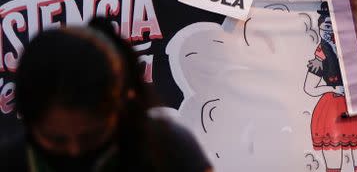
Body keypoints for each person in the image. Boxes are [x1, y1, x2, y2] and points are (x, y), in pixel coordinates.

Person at [0, 18, 212, 172]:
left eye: (92, 135)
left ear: (124, 103)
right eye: (55, 140)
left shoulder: (168, 149)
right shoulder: (12, 161)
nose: (75, 152)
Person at [304, 3, 357, 172]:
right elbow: (309, 88)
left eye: (336, 25)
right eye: (327, 26)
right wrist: (332, 89)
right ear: (320, 27)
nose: (331, 31)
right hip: (333, 110)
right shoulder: (320, 56)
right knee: (334, 165)